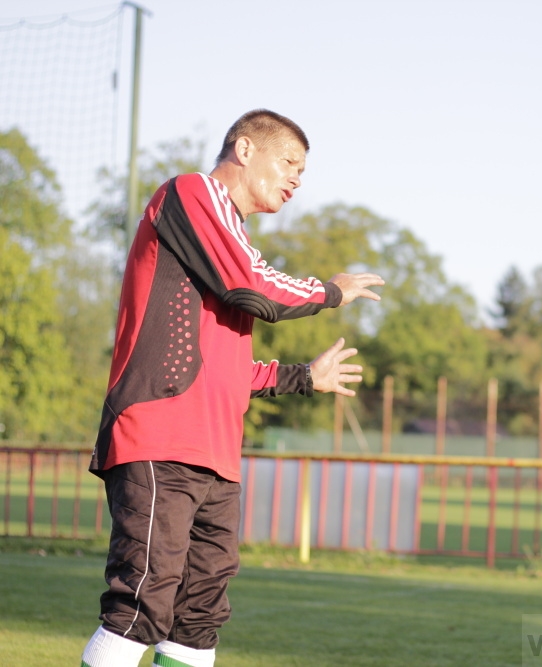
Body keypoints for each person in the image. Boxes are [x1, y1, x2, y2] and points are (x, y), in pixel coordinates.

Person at [81, 109, 384, 667]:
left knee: (199, 618)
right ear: (245, 150)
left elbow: (223, 364)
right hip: (158, 436)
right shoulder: (192, 194)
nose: (297, 179)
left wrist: (302, 378)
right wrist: (329, 291)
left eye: (303, 171)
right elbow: (253, 287)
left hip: (217, 457)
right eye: (290, 162)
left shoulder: (225, 240)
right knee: (141, 602)